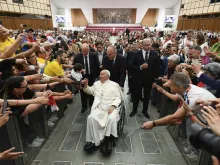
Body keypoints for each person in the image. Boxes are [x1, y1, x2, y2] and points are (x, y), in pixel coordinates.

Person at [82, 70, 123, 156]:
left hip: (111, 108)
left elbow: (119, 98)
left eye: (102, 74)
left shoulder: (114, 85)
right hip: (100, 107)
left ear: (107, 76)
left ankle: (108, 141)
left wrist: (113, 106)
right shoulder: (96, 84)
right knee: (91, 118)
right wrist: (86, 85)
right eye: (100, 74)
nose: (100, 76)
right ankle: (94, 141)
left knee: (111, 119)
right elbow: (90, 91)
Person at [130, 38, 160, 118]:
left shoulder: (155, 54)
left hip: (149, 79)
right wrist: (140, 67)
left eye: (150, 44)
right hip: (138, 79)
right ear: (142, 46)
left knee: (147, 96)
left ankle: (145, 111)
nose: (148, 46)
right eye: (146, 45)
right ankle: (134, 110)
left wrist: (155, 80)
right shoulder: (136, 54)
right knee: (136, 95)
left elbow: (156, 68)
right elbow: (131, 65)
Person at [74, 43, 99, 113]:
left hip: (91, 76)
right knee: (83, 92)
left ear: (89, 49)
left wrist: (97, 76)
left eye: (85, 51)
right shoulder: (77, 56)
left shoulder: (93, 55)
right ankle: (84, 106)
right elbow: (75, 68)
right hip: (82, 77)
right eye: (83, 51)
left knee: (92, 91)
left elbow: (97, 66)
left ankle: (92, 105)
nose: (84, 53)